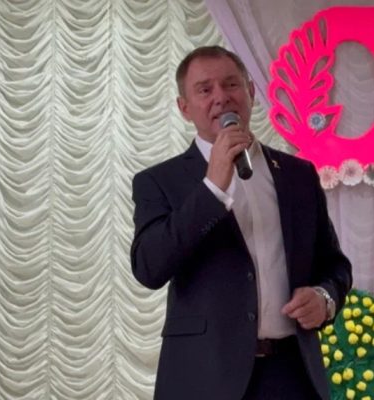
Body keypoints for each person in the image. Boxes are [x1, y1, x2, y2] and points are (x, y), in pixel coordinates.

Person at [130, 45, 352, 400]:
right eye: (205, 89)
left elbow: (334, 265)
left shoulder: (298, 175)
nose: (221, 97)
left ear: (250, 92)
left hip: (291, 373)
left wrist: (325, 298)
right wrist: (212, 189)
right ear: (184, 108)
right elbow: (149, 268)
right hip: (204, 376)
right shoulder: (159, 181)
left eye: (231, 84)